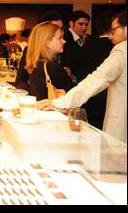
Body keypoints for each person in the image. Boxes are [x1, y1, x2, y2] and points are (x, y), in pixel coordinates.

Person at [38, 11, 127, 143]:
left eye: (113, 30)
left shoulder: (122, 50)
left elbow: (96, 80)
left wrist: (59, 103)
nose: (109, 35)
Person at [75, 12, 114, 129]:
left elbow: (79, 72)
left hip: (89, 97)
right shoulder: (117, 48)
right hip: (111, 99)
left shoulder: (87, 46)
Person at [25, 22, 75, 100]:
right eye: (60, 38)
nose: (64, 41)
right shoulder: (51, 66)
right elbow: (73, 92)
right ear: (47, 43)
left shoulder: (38, 63)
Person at [15, 11, 64, 91]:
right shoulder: (30, 50)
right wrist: (35, 94)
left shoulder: (67, 47)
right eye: (54, 28)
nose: (60, 31)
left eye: (61, 28)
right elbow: (20, 81)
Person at [62, 10, 90, 77]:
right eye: (80, 24)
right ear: (71, 24)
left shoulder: (87, 39)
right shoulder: (63, 39)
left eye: (86, 24)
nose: (85, 27)